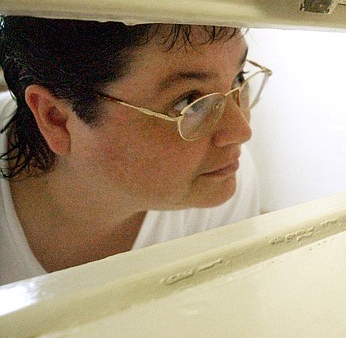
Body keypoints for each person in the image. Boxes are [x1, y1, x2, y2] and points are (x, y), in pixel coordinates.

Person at [0, 16, 271, 285]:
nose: (241, 132)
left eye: (239, 77)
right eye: (189, 101)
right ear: (56, 119)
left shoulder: (223, 177)